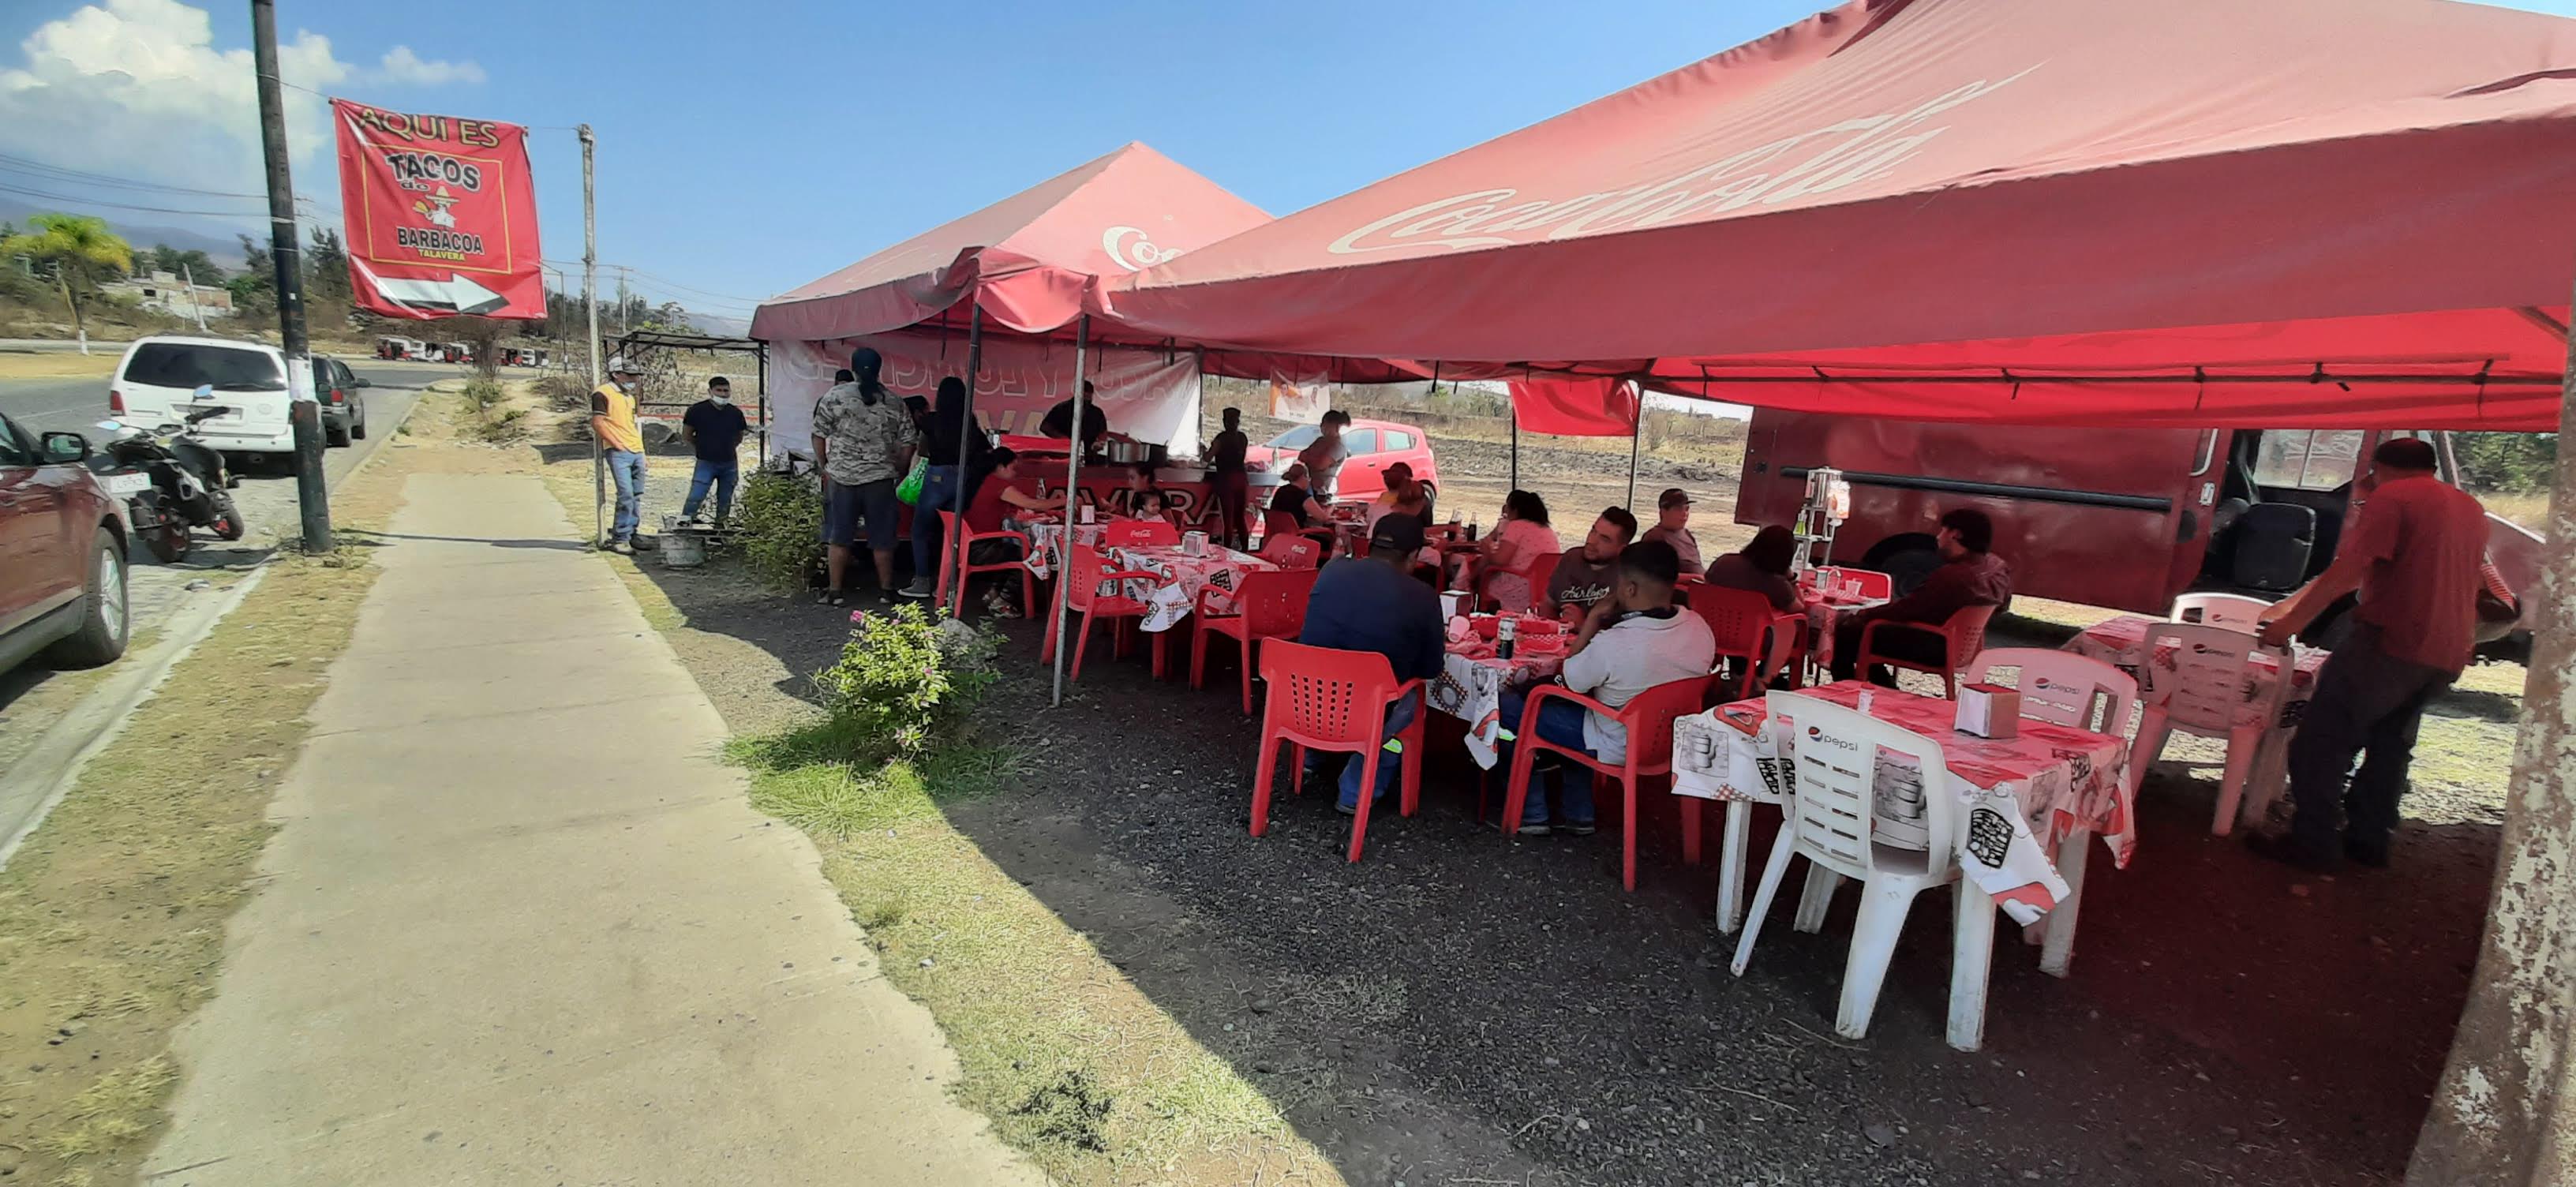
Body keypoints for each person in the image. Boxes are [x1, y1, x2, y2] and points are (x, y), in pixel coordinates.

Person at [2247, 439, 2490, 872]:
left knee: (2320, 744)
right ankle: (2369, 840)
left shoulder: (2393, 497)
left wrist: (2289, 625)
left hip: (2392, 640)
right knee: (2389, 746)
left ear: (2378, 469)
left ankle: (2314, 846)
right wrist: (2289, 607)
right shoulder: (2467, 505)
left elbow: (2348, 571)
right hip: (2447, 649)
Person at [1496, 541, 1717, 834]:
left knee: (1507, 706)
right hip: (1672, 739)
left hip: (1617, 741)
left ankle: (1531, 813)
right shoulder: (1699, 627)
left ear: (1629, 590)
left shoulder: (1616, 643)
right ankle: (1578, 812)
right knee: (1584, 707)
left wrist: (1591, 623)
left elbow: (1569, 678)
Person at [1297, 513, 1446, 816]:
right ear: (1414, 555)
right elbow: (1430, 669)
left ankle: (1311, 757)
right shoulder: (1422, 596)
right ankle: (1356, 788)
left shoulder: (1332, 570)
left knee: (1332, 666)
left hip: (1301, 700)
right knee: (1410, 698)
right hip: (1366, 711)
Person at [1831, 508, 2012, 684]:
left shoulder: (1954, 576)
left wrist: (1864, 614)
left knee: (1848, 633)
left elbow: (1908, 610)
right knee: (1867, 634)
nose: (1938, 538)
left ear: (1955, 535)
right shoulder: (1997, 567)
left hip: (1933, 646)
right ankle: (1883, 687)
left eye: (1942, 531)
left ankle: (1845, 688)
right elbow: (2003, 606)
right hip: (1963, 647)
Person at [811, 346, 918, 606]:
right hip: (880, 479)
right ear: (880, 369)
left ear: (854, 368)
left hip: (842, 478)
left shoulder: (834, 396)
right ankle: (886, 591)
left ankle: (835, 592)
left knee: (839, 535)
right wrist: (899, 469)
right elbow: (909, 442)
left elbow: (818, 434)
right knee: (883, 538)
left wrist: (825, 464)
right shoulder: (894, 401)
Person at [901, 376, 992, 600]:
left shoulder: (931, 421)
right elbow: (985, 449)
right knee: (952, 532)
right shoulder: (969, 422)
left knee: (920, 530)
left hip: (937, 478)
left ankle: (922, 581)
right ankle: (949, 582)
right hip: (962, 478)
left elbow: (922, 451)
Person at [1538, 507, 1639, 624]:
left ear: (1621, 549)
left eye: (1604, 539)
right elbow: (1549, 604)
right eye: (1593, 531)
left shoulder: (1628, 575)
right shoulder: (1571, 558)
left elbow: (1626, 634)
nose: (1592, 541)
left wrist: (1583, 625)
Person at [1466, 489, 1560, 613]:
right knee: (1485, 572)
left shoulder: (1516, 526)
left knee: (1483, 575)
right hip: (1544, 587)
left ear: (1514, 510)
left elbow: (1500, 560)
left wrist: (1487, 550)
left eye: (1507, 506)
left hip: (1520, 584)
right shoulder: (1546, 530)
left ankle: (1482, 613)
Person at [590, 356, 649, 554]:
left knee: (637, 494)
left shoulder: (629, 397)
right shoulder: (602, 393)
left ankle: (632, 532)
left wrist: (639, 449)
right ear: (616, 374)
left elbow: (631, 423)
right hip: (618, 450)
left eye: (635, 375)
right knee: (626, 494)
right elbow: (598, 422)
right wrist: (617, 444)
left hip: (636, 448)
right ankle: (620, 537)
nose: (634, 379)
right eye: (629, 375)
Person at [678, 376, 747, 525]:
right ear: (710, 391)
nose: (723, 394)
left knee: (725, 499)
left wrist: (727, 447)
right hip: (706, 462)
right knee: (696, 496)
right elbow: (687, 435)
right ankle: (685, 524)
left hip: (729, 463)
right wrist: (703, 447)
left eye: (726, 391)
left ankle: (720, 528)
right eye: (719, 390)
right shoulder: (696, 411)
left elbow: (739, 436)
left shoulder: (736, 413)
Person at [1703, 524, 1803, 612]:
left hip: (1709, 626)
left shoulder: (1723, 562)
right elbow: (1800, 610)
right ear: (1786, 558)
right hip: (1754, 632)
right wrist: (1792, 579)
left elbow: (1705, 586)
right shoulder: (1778, 585)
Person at [1208, 406, 1251, 550]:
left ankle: (1226, 550)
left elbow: (1207, 458)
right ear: (1238, 422)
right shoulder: (1243, 438)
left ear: (1224, 421)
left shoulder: (1221, 438)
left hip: (1226, 479)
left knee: (1228, 519)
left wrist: (1206, 450)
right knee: (1240, 518)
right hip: (1241, 478)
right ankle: (1245, 550)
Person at [1039, 381, 1112, 457]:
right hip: (1064, 454)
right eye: (1084, 399)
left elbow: (1103, 432)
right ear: (1077, 394)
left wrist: (1100, 443)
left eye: (1089, 399)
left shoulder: (1097, 413)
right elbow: (1045, 427)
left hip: (1089, 454)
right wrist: (1064, 439)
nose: (1086, 402)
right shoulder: (1062, 409)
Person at [1642, 488, 1702, 571]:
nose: (1685, 513)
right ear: (1663, 511)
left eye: (1687, 509)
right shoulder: (1655, 537)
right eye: (1679, 509)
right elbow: (1654, 575)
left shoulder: (1687, 534)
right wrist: (1695, 578)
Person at [1299, 410, 1352, 500]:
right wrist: (1313, 458)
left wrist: (1310, 457)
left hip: (1324, 491)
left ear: (1335, 426)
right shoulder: (1320, 441)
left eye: (1325, 424)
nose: (1322, 427)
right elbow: (1301, 456)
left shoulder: (1338, 445)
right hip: (1310, 486)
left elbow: (1320, 465)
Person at [1267, 462, 1327, 534]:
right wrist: (1331, 508)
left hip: (1277, 536)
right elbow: (1323, 518)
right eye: (1308, 478)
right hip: (1297, 538)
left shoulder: (1280, 490)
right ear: (1303, 477)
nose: (1309, 481)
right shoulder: (1302, 496)